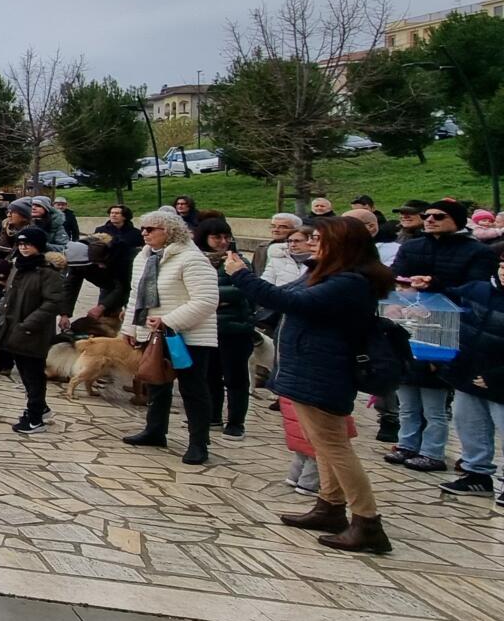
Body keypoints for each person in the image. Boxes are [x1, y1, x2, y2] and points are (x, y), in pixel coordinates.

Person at [227, 217, 396, 550]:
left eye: (319, 239)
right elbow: (286, 293)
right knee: (322, 443)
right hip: (308, 369)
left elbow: (291, 302)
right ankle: (330, 506)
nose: (311, 243)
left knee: (334, 445)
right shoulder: (326, 274)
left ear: (341, 245)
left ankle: (367, 522)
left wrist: (241, 274)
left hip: (324, 371)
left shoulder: (350, 282)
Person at [392, 199, 500, 478]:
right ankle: (407, 443)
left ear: (457, 220)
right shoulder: (412, 246)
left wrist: (435, 288)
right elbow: (396, 277)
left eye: (438, 216)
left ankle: (433, 451)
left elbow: (473, 291)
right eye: (427, 215)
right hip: (408, 321)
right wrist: (403, 292)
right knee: (406, 390)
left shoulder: (477, 252)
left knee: (435, 395)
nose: (430, 220)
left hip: (454, 328)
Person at [121, 208, 220, 466]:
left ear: (169, 231)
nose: (144, 233)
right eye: (143, 228)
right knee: (156, 382)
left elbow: (206, 300)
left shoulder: (191, 258)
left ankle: (198, 442)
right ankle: (155, 430)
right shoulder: (144, 257)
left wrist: (169, 320)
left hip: (188, 335)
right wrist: (130, 328)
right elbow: (136, 296)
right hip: (155, 333)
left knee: (192, 388)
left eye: (151, 229)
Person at [440, 265, 504, 504]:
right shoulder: (478, 289)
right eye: (503, 266)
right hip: (468, 373)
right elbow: (446, 301)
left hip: (498, 379)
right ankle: (477, 475)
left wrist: (496, 377)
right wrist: (427, 286)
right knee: (469, 423)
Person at [0, 226, 67, 433]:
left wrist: (29, 324)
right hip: (13, 327)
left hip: (34, 331)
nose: (24, 247)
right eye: (20, 244)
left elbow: (53, 302)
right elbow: (9, 295)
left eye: (28, 244)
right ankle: (40, 407)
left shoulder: (48, 272)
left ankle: (35, 417)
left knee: (33, 373)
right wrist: (0, 315)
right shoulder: (18, 267)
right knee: (24, 372)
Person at [194, 217, 256, 438]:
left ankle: (236, 421)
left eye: (226, 237)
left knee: (235, 377)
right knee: (210, 375)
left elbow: (243, 289)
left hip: (234, 328)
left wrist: (209, 297)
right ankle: (213, 416)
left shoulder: (237, 261)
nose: (222, 242)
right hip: (206, 327)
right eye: (216, 237)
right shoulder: (197, 260)